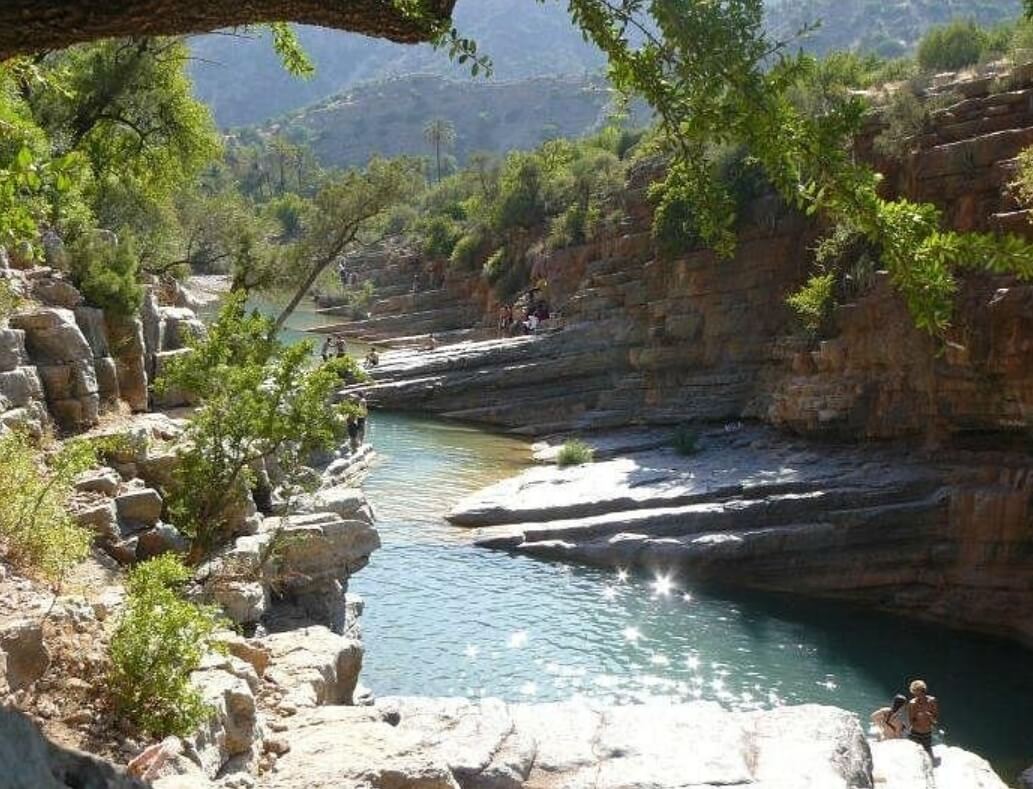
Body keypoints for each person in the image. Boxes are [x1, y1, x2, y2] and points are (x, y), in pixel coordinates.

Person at [907, 679, 939, 756]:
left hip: (927, 732)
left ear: (924, 691)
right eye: (916, 694)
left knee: (928, 753)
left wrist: (930, 716)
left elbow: (935, 720)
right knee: (914, 754)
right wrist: (918, 718)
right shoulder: (912, 703)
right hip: (915, 732)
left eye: (920, 693)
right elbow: (911, 721)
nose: (918, 697)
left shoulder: (932, 701)